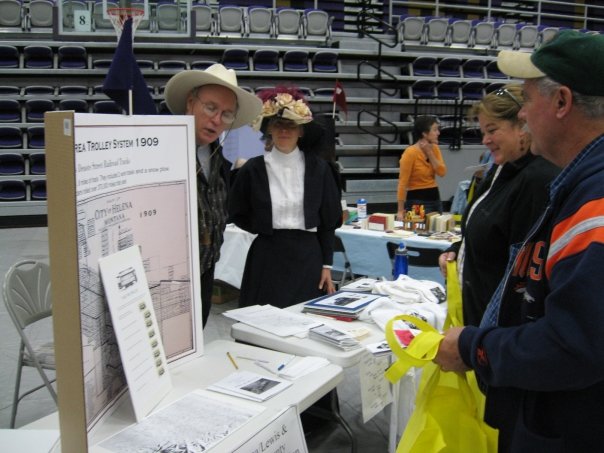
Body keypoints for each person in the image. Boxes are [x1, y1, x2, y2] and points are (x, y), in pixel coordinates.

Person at [435, 30, 604, 452]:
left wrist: (475, 346)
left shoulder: (594, 203)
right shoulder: (578, 184)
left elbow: (573, 345)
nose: (523, 116)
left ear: (562, 102)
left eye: (527, 100)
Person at [438, 84, 559, 326]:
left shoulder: (536, 179)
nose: (486, 140)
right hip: (477, 316)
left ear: (522, 125)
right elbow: (488, 228)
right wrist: (459, 247)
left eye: (492, 130)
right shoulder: (501, 168)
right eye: (483, 132)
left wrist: (490, 341)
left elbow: (522, 274)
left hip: (499, 329)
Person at [164, 64, 262, 327]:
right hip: (168, 280)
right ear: (190, 103)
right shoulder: (161, 149)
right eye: (210, 108)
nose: (217, 120)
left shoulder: (218, 155)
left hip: (205, 272)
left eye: (226, 114)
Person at [228, 87, 342, 309]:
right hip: (267, 255)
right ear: (269, 128)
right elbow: (237, 211)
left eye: (291, 125)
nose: (284, 131)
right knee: (261, 326)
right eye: (278, 124)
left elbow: (329, 221)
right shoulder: (253, 169)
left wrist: (327, 264)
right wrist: (262, 225)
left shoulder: (320, 169)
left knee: (303, 323)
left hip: (308, 257)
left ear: (301, 131)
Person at [396, 115, 447, 220]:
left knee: (438, 232)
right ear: (424, 133)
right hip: (416, 201)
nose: (438, 133)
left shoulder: (435, 149)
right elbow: (402, 182)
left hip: (435, 199)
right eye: (435, 130)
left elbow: (442, 172)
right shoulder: (410, 152)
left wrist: (429, 153)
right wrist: (400, 210)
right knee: (417, 232)